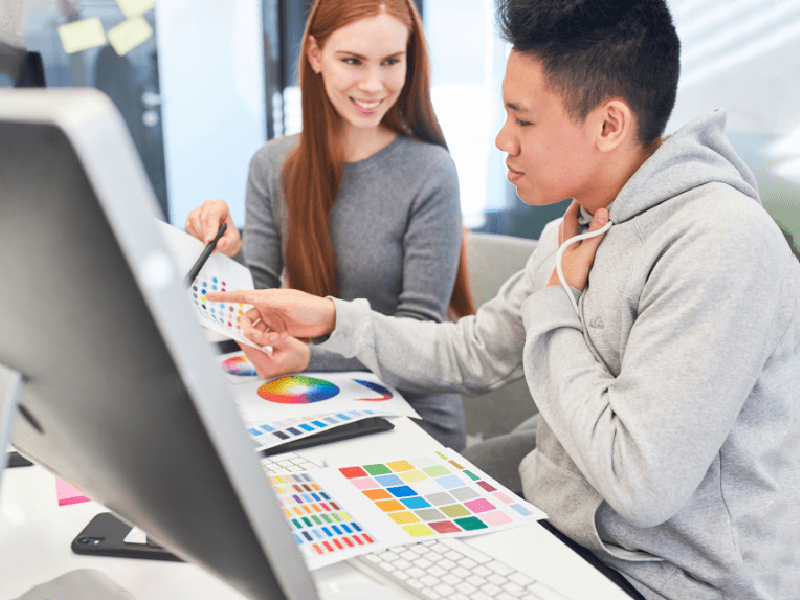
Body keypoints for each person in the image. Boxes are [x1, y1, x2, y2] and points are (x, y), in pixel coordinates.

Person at [208, 0, 800, 598]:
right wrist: (335, 319)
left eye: (523, 120)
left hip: (664, 579)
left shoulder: (722, 245)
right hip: (558, 532)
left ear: (608, 125)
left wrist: (557, 305)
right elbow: (475, 353)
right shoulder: (579, 226)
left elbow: (639, 482)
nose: (501, 139)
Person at [185, 0, 475, 451]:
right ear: (316, 55)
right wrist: (226, 253)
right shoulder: (271, 165)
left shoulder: (430, 171)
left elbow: (417, 334)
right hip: (314, 404)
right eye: (352, 61)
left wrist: (308, 358)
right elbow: (258, 307)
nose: (373, 84)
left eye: (391, 62)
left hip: (411, 419)